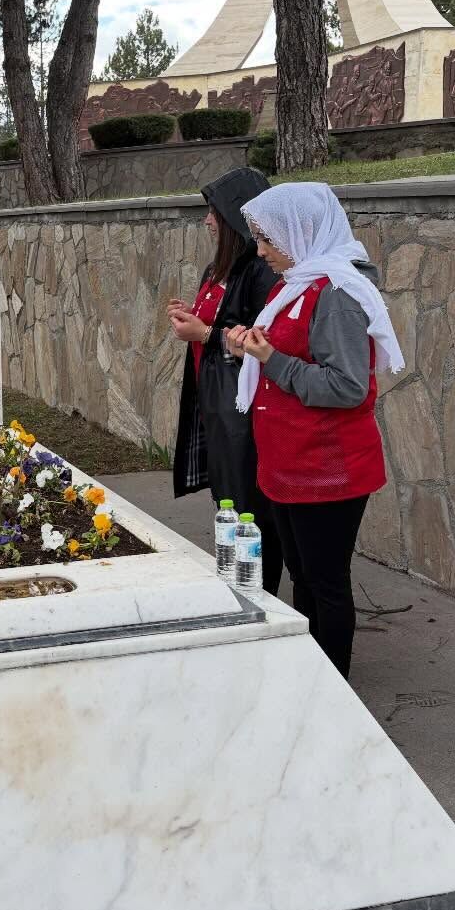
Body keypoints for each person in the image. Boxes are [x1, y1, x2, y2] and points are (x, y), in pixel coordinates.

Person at [224, 183, 404, 678]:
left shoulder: (339, 293)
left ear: (300, 233)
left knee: (325, 581)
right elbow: (287, 354)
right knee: (303, 575)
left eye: (266, 239)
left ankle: (333, 687)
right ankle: (312, 678)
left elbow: (347, 387)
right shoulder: (299, 282)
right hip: (290, 460)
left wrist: (270, 359)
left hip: (328, 467)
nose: (259, 251)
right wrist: (250, 349)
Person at [168, 166, 283, 595]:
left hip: (244, 415)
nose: (207, 220)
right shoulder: (217, 268)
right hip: (216, 408)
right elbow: (220, 326)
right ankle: (235, 588)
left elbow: (262, 340)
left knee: (252, 512)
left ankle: (258, 597)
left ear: (234, 216)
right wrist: (195, 321)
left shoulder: (261, 271)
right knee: (229, 505)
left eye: (212, 211)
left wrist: (204, 333)